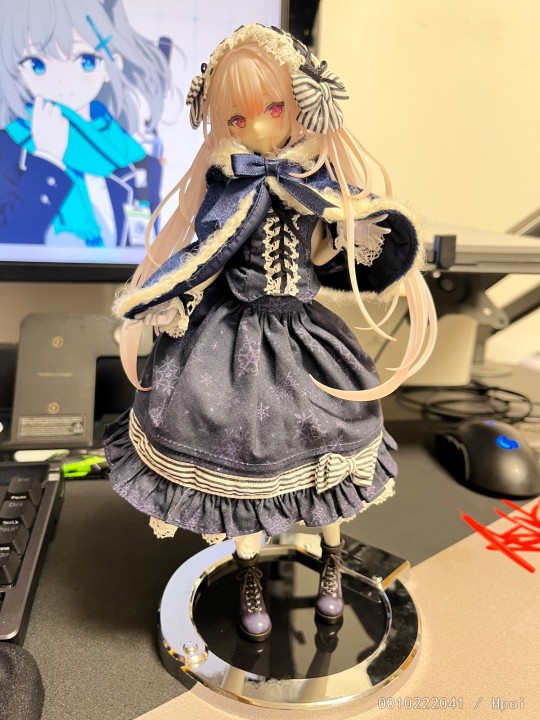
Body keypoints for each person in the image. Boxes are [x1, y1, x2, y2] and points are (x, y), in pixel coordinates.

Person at [104, 23, 436, 642]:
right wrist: (171, 296)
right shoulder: (227, 189)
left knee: (331, 443)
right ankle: (249, 569)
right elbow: (206, 255)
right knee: (240, 456)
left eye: (272, 109)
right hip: (234, 343)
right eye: (237, 118)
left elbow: (333, 257)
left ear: (302, 105)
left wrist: (346, 233)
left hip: (304, 338)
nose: (256, 127)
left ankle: (332, 559)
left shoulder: (318, 183)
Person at [0, 0, 170, 247]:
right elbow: (11, 240)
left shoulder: (135, 159)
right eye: (37, 64)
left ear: (112, 64)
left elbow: (146, 253)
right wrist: (48, 159)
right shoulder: (8, 148)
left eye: (86, 61)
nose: (62, 81)